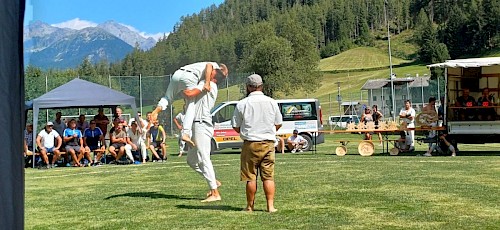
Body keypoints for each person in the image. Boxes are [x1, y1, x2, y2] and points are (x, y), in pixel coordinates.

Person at [231, 74, 283, 213]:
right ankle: (270, 206)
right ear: (262, 86)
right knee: (268, 176)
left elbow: (235, 126)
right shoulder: (272, 102)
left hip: (250, 143)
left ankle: (250, 206)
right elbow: (278, 123)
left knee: (250, 177)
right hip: (268, 143)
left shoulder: (242, 103)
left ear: (248, 87)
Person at [151, 62, 229, 147]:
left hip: (177, 74)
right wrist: (207, 83)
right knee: (191, 105)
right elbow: (209, 66)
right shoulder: (215, 67)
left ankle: (157, 109)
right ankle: (186, 133)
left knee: (168, 97)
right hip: (190, 76)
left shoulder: (200, 67)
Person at [185, 74, 222, 202]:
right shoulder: (209, 85)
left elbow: (189, 93)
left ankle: (215, 193)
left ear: (215, 77)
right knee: (191, 160)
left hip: (201, 124)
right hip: (197, 125)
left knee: (204, 158)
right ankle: (213, 181)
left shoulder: (210, 84)